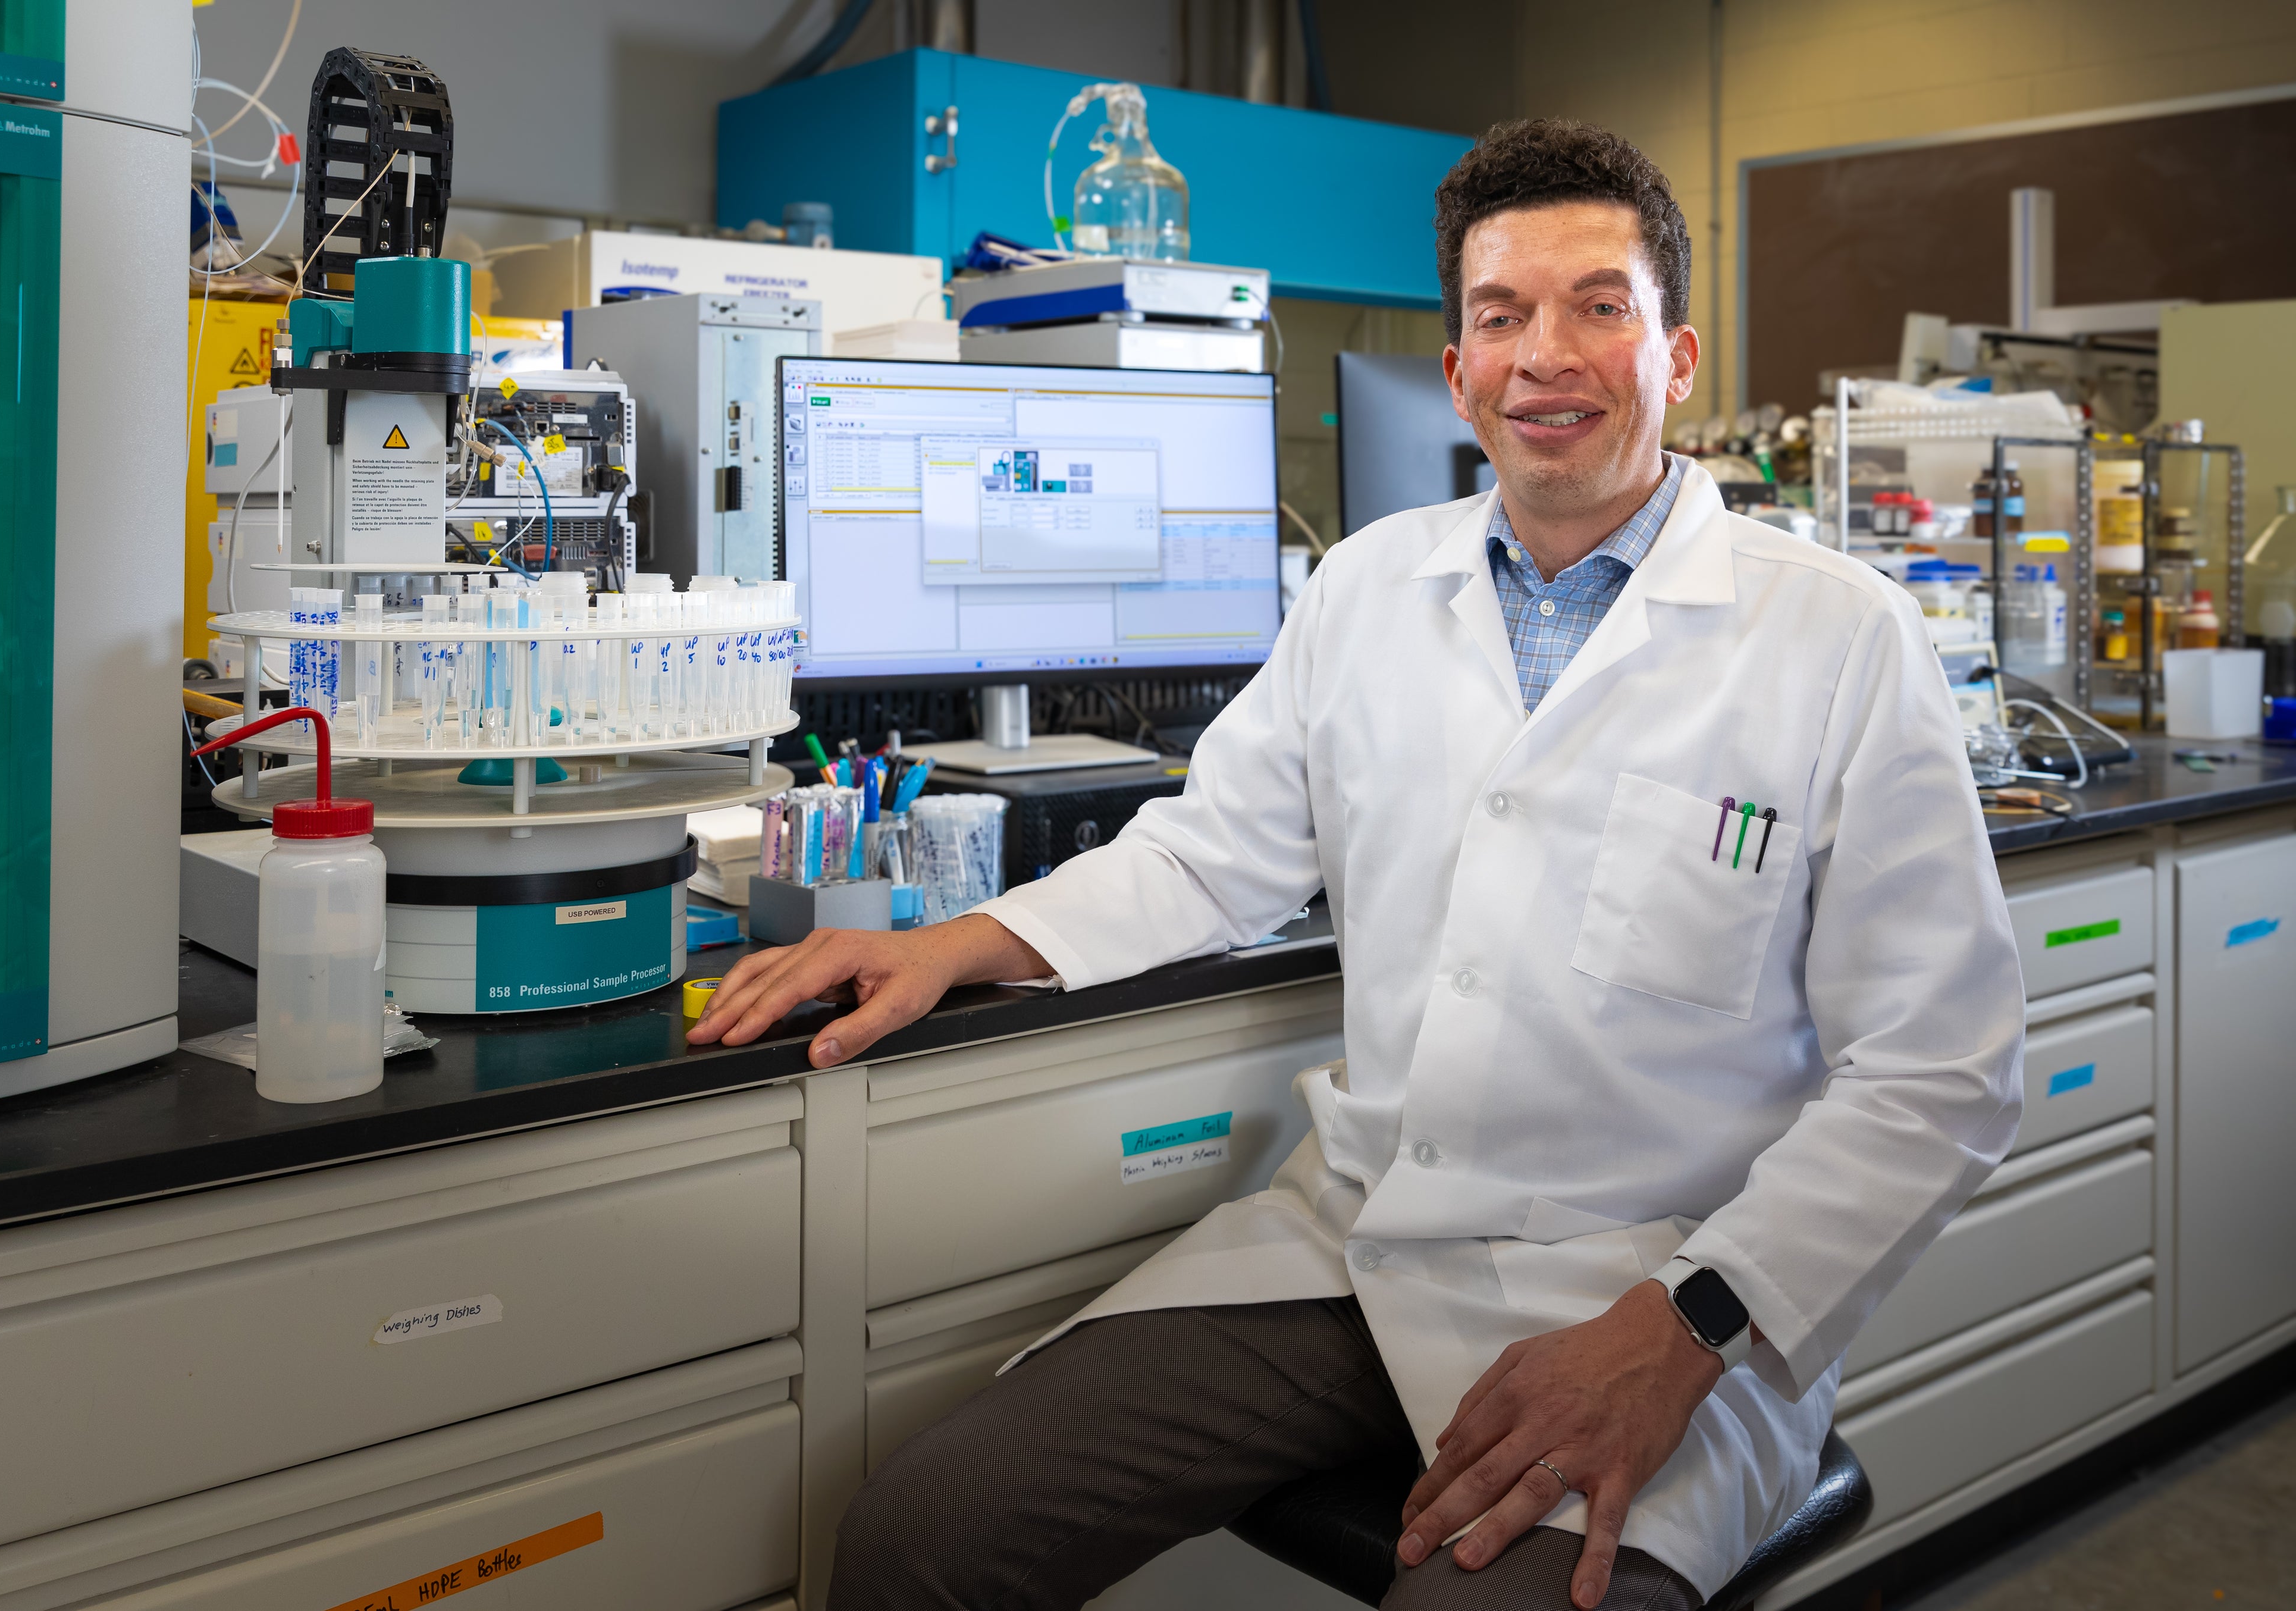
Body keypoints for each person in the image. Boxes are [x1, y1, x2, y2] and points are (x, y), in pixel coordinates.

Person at [691, 118, 2025, 1610]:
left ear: (1679, 354)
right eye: (1499, 314)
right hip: (1360, 1247)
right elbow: (1211, 853)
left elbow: (1940, 1070)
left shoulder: (1835, 638)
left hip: (1662, 1294)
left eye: (1599, 305)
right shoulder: (1367, 588)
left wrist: (1686, 1325)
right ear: (1455, 367)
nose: (1545, 355)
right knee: (919, 1542)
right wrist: (963, 941)